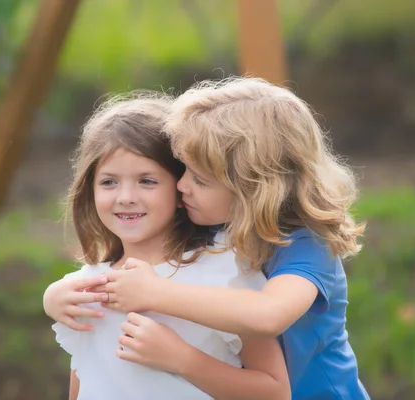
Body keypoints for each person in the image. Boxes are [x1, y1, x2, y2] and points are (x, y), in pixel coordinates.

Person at [93, 77, 371, 399]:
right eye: (183, 170)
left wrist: (156, 293)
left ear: (251, 189)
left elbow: (268, 315)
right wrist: (58, 298)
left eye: (200, 179)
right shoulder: (216, 227)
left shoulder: (307, 245)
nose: (181, 186)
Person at [46, 91, 290, 400]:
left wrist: (181, 359)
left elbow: (275, 393)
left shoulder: (223, 271)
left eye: (147, 181)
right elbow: (84, 382)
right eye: (109, 182)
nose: (126, 197)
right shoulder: (84, 290)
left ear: (181, 188)